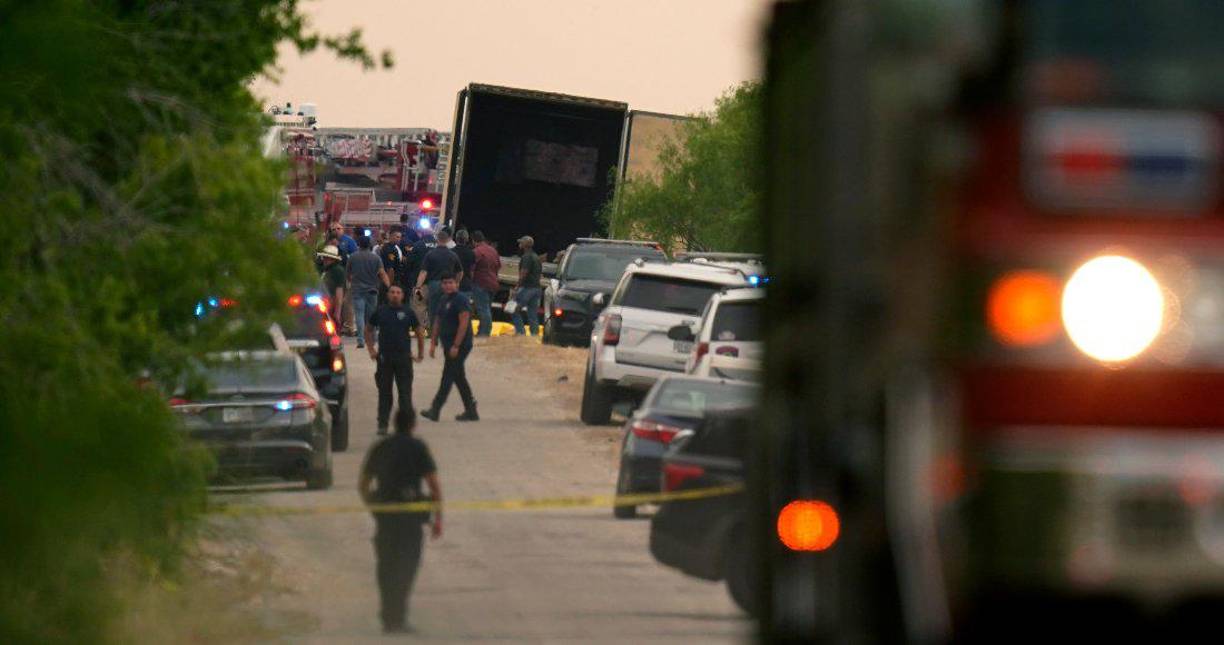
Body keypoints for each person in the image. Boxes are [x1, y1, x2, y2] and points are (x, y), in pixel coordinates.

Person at [358, 408, 442, 634]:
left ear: (394, 423)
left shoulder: (381, 447)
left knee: (386, 566)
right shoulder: (418, 448)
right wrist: (438, 519)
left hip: (386, 518)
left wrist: (373, 507)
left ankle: (388, 616)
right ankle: (398, 616)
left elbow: (363, 484)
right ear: (413, 425)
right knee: (407, 567)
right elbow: (434, 486)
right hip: (410, 520)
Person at [365, 285, 426, 434]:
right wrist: (371, 349)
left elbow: (419, 333)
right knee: (384, 394)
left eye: (398, 292)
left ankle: (405, 427)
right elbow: (368, 330)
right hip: (384, 358)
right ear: (387, 295)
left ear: (403, 295)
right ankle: (383, 424)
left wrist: (420, 353)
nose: (395, 295)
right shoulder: (380, 311)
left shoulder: (408, 312)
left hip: (404, 359)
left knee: (405, 394)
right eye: (392, 292)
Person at [421, 273, 478, 422]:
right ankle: (471, 410)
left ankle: (435, 409)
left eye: (450, 282)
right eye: (445, 283)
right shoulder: (443, 299)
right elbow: (437, 321)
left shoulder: (461, 300)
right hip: (448, 344)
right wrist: (433, 343)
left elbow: (464, 323)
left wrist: (456, 345)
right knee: (458, 377)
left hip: (460, 345)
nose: (447, 285)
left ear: (456, 284)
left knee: (447, 376)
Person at [347, 236, 390, 349]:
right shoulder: (376, 258)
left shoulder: (353, 257)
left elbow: (348, 274)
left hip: (357, 290)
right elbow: (382, 273)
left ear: (359, 244)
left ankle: (361, 340)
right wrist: (389, 286)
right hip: (372, 290)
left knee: (359, 315)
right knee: (371, 316)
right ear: (369, 244)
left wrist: (350, 282)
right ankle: (373, 337)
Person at [414, 228, 462, 327]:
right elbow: (460, 272)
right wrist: (456, 283)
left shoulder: (430, 254)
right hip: (448, 285)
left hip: (434, 285)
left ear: (437, 239)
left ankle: (432, 331)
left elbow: (423, 272)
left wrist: (418, 287)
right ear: (448, 240)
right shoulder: (453, 255)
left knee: (433, 308)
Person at [510, 235, 542, 336]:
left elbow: (524, 273)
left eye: (521, 242)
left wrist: (517, 286)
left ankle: (520, 333)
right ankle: (534, 336)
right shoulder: (536, 257)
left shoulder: (526, 257)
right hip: (537, 288)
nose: (519, 244)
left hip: (527, 288)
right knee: (532, 314)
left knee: (514, 310)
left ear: (524, 245)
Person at [471, 231, 500, 336]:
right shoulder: (493, 251)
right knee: (486, 308)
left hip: (481, 283)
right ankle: (481, 331)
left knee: (483, 310)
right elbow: (498, 266)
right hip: (493, 284)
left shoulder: (477, 251)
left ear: (474, 241)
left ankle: (485, 333)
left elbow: (472, 269)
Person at [318, 244, 346, 320]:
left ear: (334, 259)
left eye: (328, 258)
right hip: (320, 302)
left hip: (331, 303)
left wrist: (337, 311)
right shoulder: (322, 269)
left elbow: (339, 291)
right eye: (324, 257)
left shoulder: (338, 271)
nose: (325, 260)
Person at [453, 229, 476, 304]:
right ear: (467, 240)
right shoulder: (471, 253)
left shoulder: (451, 251)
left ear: (456, 238)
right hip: (466, 285)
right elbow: (472, 271)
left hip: (452, 284)